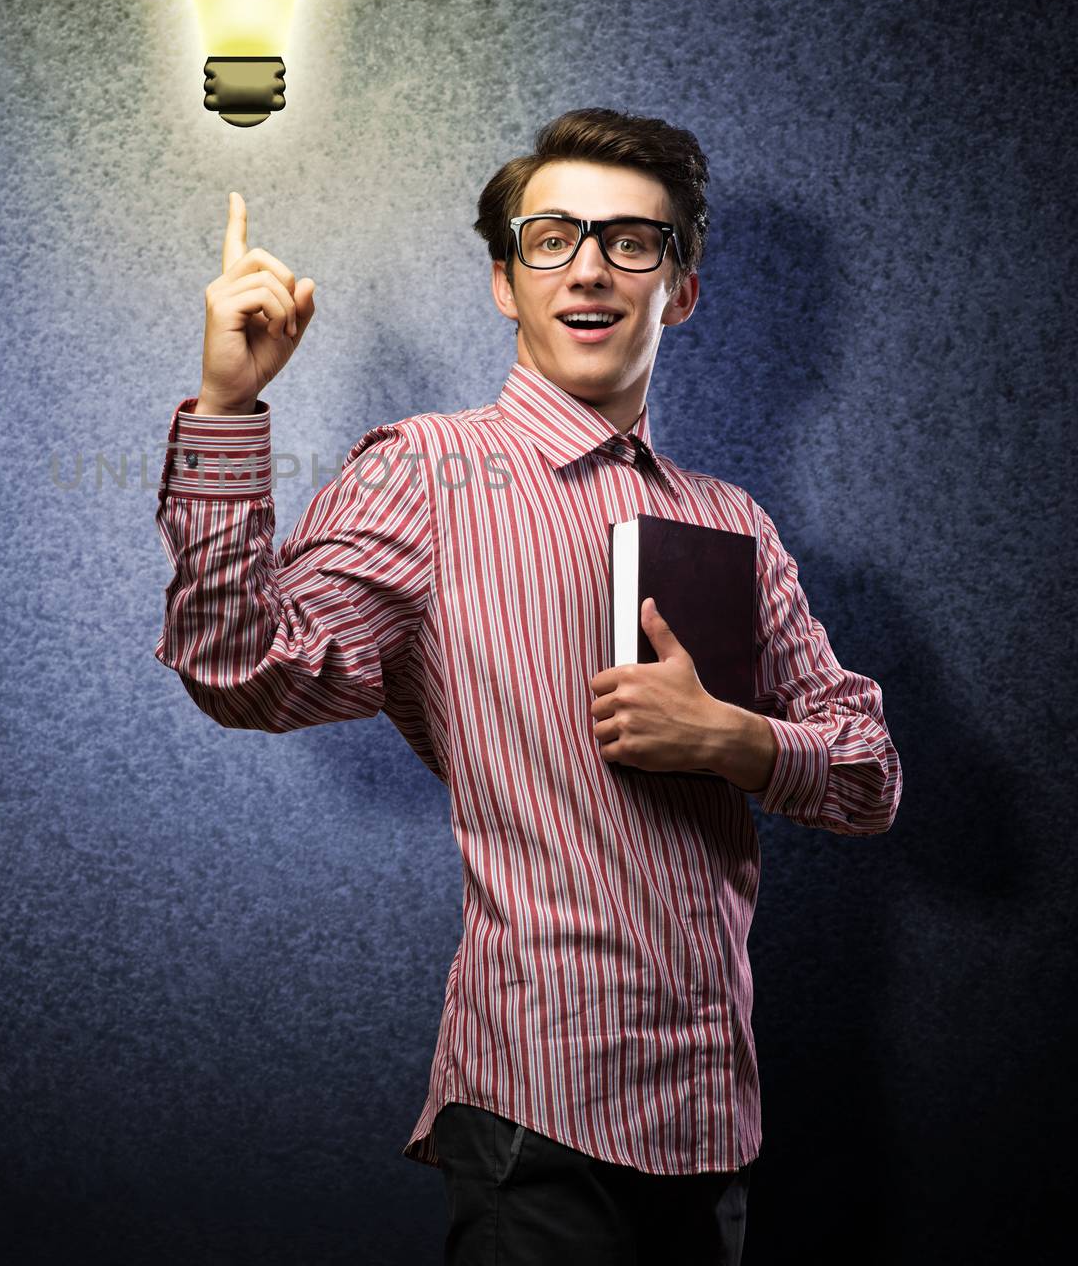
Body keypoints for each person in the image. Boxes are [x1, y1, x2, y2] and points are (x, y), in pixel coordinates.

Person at [153, 108, 902, 1265]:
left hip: (713, 1118)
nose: (590, 266)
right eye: (551, 237)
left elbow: (867, 777)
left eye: (631, 242)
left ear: (681, 290)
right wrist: (228, 412)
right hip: (538, 1109)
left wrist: (737, 739)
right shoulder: (425, 473)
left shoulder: (730, 521)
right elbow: (241, 673)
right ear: (505, 281)